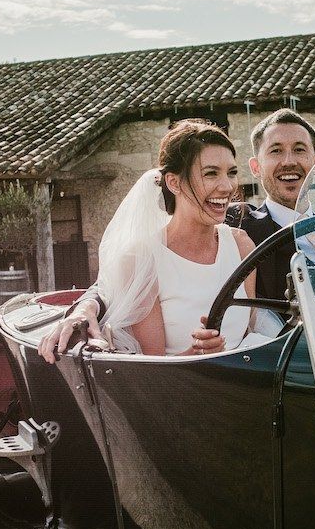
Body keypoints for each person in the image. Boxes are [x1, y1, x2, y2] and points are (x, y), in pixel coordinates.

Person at [39, 119, 260, 363]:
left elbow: (248, 330)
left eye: (231, 173)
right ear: (174, 182)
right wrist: (199, 353)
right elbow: (154, 369)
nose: (227, 186)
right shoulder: (141, 260)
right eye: (210, 173)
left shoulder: (241, 246)